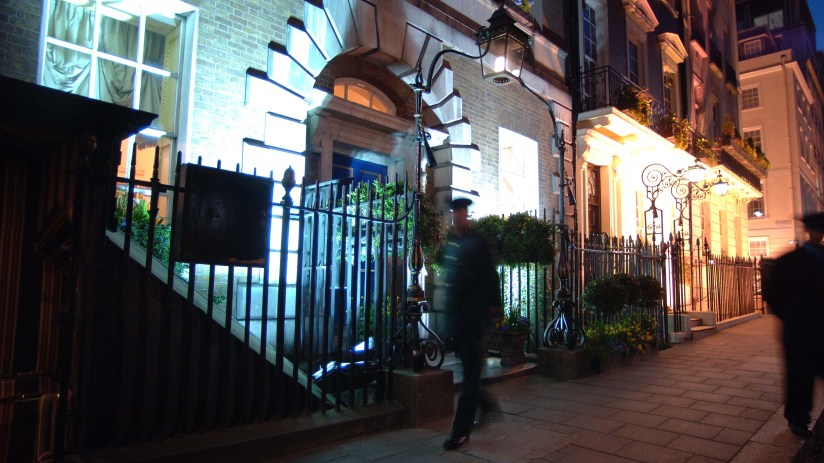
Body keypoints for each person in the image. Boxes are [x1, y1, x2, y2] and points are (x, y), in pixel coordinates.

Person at [441, 197, 502, 451]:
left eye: (461, 212)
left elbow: (490, 277)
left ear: (466, 214)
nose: (457, 217)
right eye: (455, 213)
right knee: (471, 373)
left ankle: (460, 431)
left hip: (475, 318)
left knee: (470, 375)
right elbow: (451, 282)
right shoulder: (453, 244)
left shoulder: (477, 242)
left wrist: (493, 310)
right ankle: (487, 405)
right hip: (460, 318)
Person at [762, 211, 824, 438]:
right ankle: (798, 419)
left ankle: (799, 418)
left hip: (809, 329)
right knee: (799, 377)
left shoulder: (792, 259)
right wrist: (791, 318)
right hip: (799, 330)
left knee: (802, 374)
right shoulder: (790, 260)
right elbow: (772, 294)